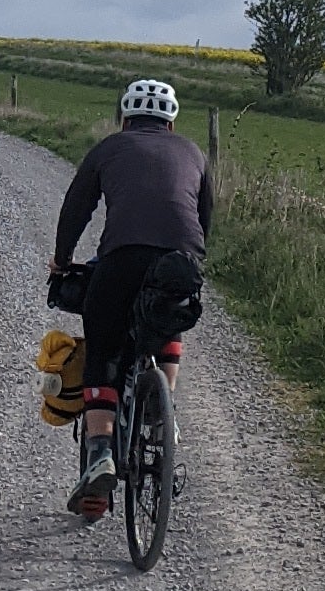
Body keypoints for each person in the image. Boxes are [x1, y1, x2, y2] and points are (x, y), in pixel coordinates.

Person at [50, 75, 210, 520]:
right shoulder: (193, 152)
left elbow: (76, 208)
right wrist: (193, 265)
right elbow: (204, 216)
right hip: (181, 262)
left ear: (124, 118)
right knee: (168, 320)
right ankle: (164, 408)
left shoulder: (107, 149)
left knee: (102, 348)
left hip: (122, 259)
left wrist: (61, 262)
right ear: (171, 123)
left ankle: (100, 450)